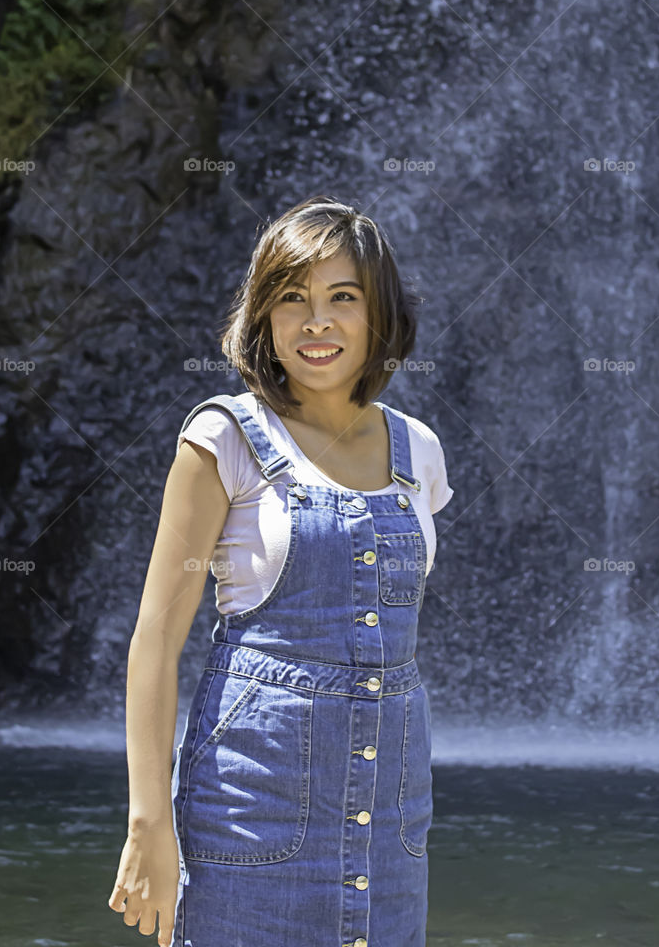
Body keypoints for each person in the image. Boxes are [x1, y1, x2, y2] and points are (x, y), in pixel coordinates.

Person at [108, 194, 454, 947]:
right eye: (292, 298)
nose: (316, 323)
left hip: (391, 826)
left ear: (379, 315)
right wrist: (148, 826)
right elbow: (155, 643)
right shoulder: (223, 439)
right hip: (250, 815)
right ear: (263, 314)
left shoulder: (417, 453)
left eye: (343, 298)